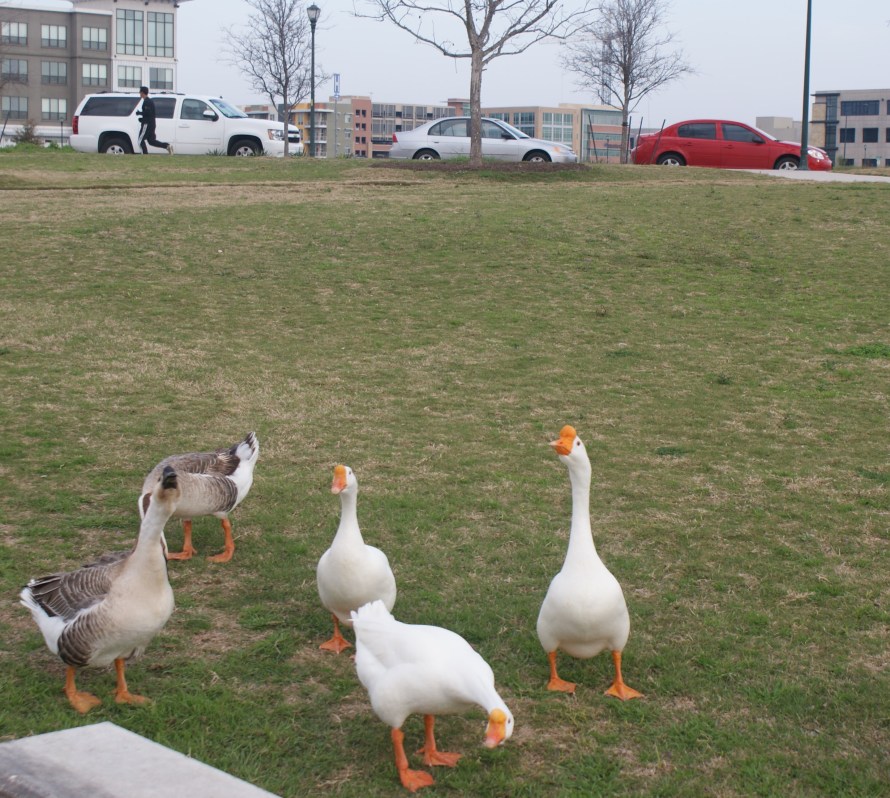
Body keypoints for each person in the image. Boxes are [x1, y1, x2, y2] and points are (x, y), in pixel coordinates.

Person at [136, 86, 173, 155]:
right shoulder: (149, 101)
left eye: (140, 92)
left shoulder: (147, 101)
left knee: (140, 140)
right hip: (151, 124)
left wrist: (139, 113)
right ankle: (167, 146)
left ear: (142, 92)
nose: (139, 94)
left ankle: (144, 155)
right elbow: (150, 114)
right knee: (151, 141)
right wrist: (142, 119)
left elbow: (148, 112)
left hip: (147, 124)